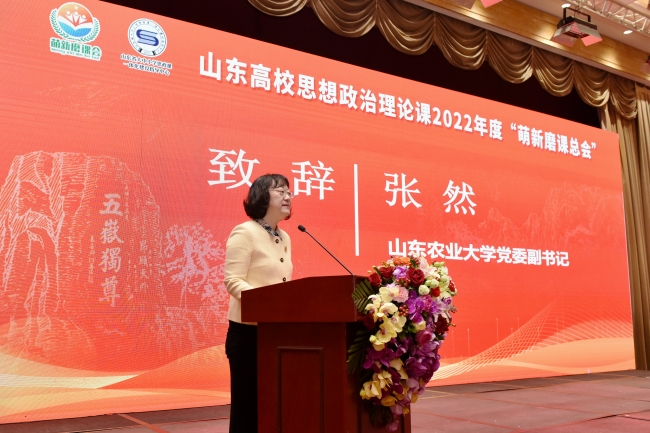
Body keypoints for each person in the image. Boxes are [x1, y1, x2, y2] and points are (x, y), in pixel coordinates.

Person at [224, 174, 293, 433]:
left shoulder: (285, 237)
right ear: (262, 196)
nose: (287, 197)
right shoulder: (246, 232)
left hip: (276, 334)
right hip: (247, 335)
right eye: (280, 191)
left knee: (272, 408)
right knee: (247, 411)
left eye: (289, 192)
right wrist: (267, 304)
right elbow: (233, 281)